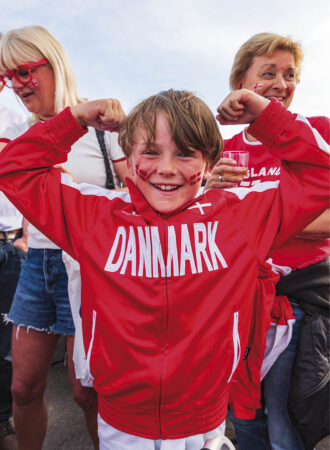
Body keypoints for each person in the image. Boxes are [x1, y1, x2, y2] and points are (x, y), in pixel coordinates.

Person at [0, 86, 328, 450]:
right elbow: (14, 168)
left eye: (186, 153)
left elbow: (322, 175)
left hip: (204, 423)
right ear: (128, 154)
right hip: (120, 423)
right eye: (151, 152)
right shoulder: (95, 216)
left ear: (209, 163)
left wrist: (266, 116)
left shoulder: (239, 216)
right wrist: (74, 121)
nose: (166, 168)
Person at [0, 25, 128, 450]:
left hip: (88, 267)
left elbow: (138, 196)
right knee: (23, 386)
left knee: (85, 392)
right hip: (38, 264)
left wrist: (80, 199)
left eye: (23, 72)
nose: (16, 85)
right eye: (7, 76)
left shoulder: (101, 123)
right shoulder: (22, 133)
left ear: (52, 62)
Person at [205, 32, 330, 450]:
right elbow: (207, 226)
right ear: (240, 81)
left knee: (283, 420)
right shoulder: (223, 150)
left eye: (290, 74)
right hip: (237, 300)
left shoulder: (314, 133)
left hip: (295, 298)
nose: (282, 83)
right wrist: (209, 191)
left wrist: (256, 217)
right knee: (244, 413)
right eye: (269, 73)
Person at [0, 72, 27, 450]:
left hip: (10, 243)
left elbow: (27, 174)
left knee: (8, 348)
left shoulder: (17, 109)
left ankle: (2, 421)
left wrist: (24, 232)